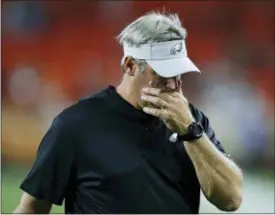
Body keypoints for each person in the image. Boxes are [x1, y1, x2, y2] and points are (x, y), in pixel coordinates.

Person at [14, 11, 243, 214]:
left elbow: (231, 200)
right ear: (131, 66)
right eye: (164, 74)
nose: (174, 85)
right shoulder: (76, 125)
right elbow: (32, 208)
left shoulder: (192, 121)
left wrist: (191, 133)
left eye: (179, 73)